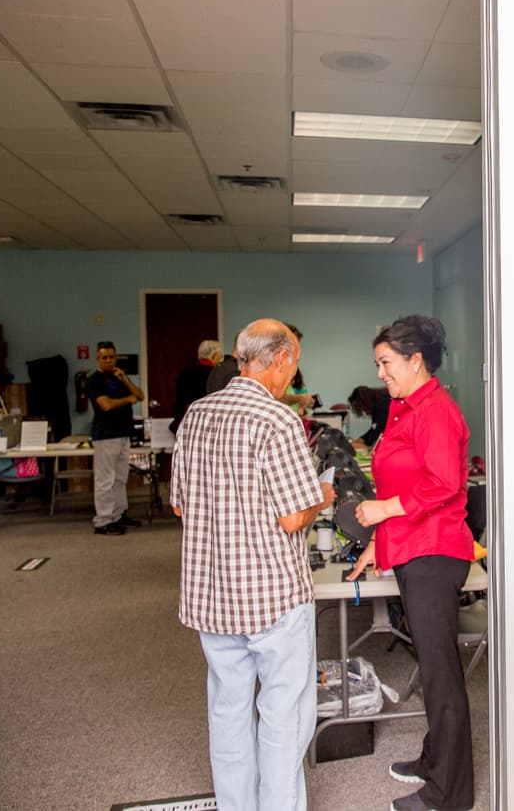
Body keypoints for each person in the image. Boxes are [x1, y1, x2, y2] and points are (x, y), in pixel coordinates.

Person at [171, 318, 335, 811]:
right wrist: (322, 497)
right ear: (280, 359)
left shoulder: (196, 414)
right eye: (295, 362)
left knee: (228, 712)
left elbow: (180, 505)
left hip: (212, 595)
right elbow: (292, 518)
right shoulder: (277, 419)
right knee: (284, 715)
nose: (293, 374)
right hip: (272, 597)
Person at [348, 314, 475, 811]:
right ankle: (434, 760)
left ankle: (450, 795)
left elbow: (443, 483)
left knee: (442, 674)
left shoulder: (436, 410)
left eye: (386, 362)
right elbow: (403, 480)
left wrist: (384, 510)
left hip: (435, 553)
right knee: (432, 665)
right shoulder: (405, 408)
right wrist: (381, 538)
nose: (380, 373)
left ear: (415, 360)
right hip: (412, 547)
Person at [88, 341, 144, 536]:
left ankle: (118, 514)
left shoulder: (119, 377)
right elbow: (105, 405)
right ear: (98, 359)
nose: (109, 360)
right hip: (105, 435)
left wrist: (126, 381)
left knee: (121, 478)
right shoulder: (95, 380)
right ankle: (103, 520)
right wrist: (127, 400)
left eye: (112, 356)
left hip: (123, 433)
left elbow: (140, 396)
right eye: (104, 357)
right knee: (106, 480)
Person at [170, 339, 222, 434]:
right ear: (214, 356)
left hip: (185, 424)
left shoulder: (184, 374)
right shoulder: (216, 375)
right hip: (206, 426)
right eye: (220, 357)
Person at [281, 324, 318, 416]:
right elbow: (272, 399)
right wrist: (299, 398)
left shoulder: (287, 367)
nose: (297, 349)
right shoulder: (272, 367)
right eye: (294, 343)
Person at [347, 384, 391, 450]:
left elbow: (380, 431)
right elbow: (374, 428)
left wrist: (366, 445)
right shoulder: (376, 404)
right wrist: (362, 438)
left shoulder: (382, 405)